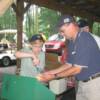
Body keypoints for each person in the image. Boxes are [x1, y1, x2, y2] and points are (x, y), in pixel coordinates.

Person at [38, 15, 100, 100]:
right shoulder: (71, 42)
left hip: (94, 83)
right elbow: (68, 64)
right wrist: (50, 72)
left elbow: (77, 69)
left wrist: (54, 76)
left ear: (71, 25)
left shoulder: (84, 37)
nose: (61, 34)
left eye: (62, 31)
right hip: (82, 82)